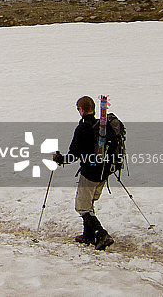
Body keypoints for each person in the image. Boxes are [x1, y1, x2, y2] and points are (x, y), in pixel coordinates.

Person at [52, 95, 115, 250]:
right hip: (104, 172)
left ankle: (101, 234)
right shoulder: (102, 126)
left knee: (83, 207)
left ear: (81, 109)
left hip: (90, 173)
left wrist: (60, 159)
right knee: (89, 204)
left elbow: (73, 155)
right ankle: (88, 235)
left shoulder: (83, 129)